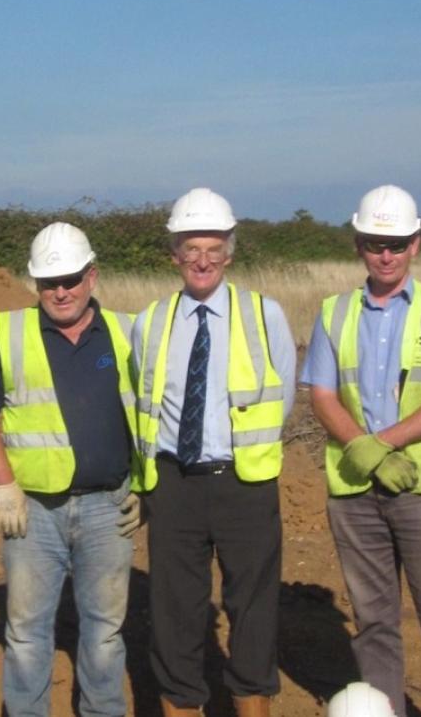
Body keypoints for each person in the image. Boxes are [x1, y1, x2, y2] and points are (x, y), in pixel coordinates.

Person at [300, 184, 421, 716]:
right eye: (376, 243)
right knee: (374, 623)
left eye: (397, 244)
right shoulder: (334, 313)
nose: (386, 254)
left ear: (416, 244)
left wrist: (381, 444)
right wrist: (366, 451)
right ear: (358, 243)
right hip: (356, 495)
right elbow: (322, 395)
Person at [0, 223, 142, 717]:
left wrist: (146, 484)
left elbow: (150, 414)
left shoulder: (130, 333)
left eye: (70, 279)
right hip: (34, 512)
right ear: (35, 284)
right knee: (25, 633)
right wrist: (3, 484)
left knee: (104, 633)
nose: (60, 291)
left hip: (109, 507)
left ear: (92, 277)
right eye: (48, 282)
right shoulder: (7, 333)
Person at [130, 188, 296, 717]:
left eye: (213, 248)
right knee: (175, 613)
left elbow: (283, 397)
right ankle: (182, 702)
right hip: (174, 484)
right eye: (190, 248)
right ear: (174, 254)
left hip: (244, 483)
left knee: (251, 611)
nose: (202, 260)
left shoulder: (264, 314)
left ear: (230, 252)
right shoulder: (150, 321)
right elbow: (141, 399)